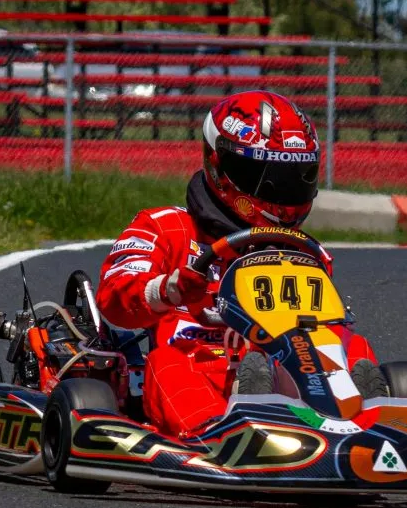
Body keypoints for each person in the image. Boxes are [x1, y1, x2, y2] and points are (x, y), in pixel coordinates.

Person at [97, 90, 379, 439]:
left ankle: (373, 423)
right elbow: (114, 297)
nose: (280, 193)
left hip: (292, 363)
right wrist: (170, 288)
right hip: (201, 360)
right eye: (267, 177)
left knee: (354, 347)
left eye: (294, 179)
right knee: (167, 366)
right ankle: (226, 433)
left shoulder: (307, 252)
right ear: (220, 166)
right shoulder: (166, 227)